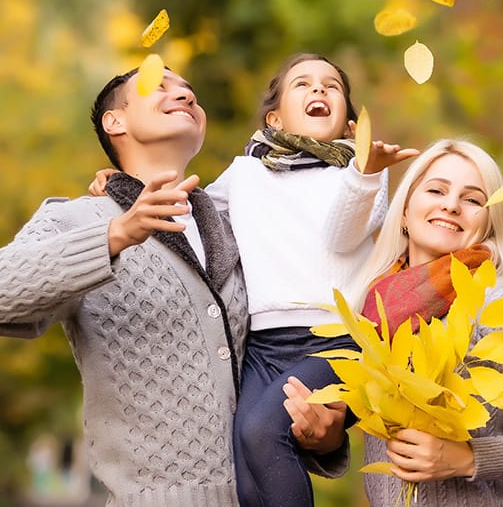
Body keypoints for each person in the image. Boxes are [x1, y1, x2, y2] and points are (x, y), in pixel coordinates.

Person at [0, 66, 348, 507]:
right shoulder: (75, 220)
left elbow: (275, 356)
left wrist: (326, 438)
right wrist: (117, 234)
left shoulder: (236, 225)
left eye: (189, 90)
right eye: (160, 87)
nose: (183, 95)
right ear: (115, 121)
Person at [89, 52, 419, 507]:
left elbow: (343, 237)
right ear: (275, 117)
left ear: (349, 126)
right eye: (302, 84)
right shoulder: (247, 173)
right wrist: (121, 183)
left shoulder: (359, 175)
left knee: (265, 430)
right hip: (264, 344)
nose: (319, 90)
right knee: (245, 457)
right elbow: (196, 214)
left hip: (336, 339)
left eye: (332, 87)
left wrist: (365, 173)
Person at [345, 137, 503, 506]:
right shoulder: (371, 310)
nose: (451, 205)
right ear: (405, 211)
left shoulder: (502, 305)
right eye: (437, 189)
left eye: (472, 199)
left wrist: (468, 458)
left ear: (489, 223)